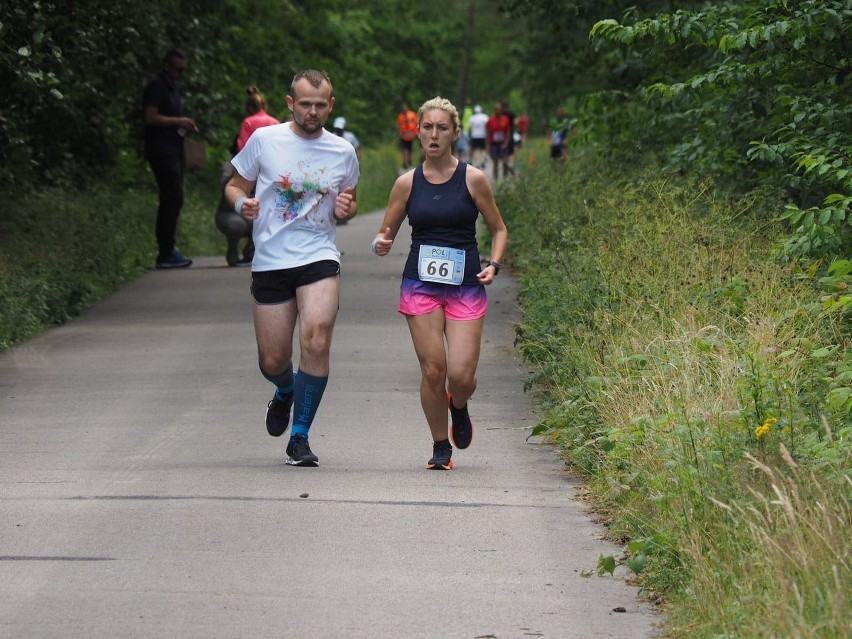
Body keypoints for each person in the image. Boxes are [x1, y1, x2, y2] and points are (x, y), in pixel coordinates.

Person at [224, 69, 359, 467]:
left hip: (319, 255)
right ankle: (285, 390)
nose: (312, 112)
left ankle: (299, 437)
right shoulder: (264, 140)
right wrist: (240, 204)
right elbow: (235, 184)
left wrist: (345, 209)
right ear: (290, 103)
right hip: (270, 259)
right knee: (273, 361)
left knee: (316, 339)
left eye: (320, 105)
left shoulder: (343, 151)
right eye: (305, 104)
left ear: (330, 105)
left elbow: (347, 200)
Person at [370, 96, 509, 470]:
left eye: (442, 128)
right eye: (427, 128)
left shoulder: (473, 178)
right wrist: (381, 243)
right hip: (421, 286)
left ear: (455, 134)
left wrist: (494, 264)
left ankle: (458, 405)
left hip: (465, 286)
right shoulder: (406, 183)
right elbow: (385, 233)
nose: (434, 135)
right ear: (417, 133)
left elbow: (498, 229)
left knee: (461, 376)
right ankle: (438, 445)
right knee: (434, 370)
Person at [142, 49, 199, 269]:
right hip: (161, 149)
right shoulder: (156, 87)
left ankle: (168, 249)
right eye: (177, 69)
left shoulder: (175, 88)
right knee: (171, 196)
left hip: (174, 149)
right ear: (166, 66)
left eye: (183, 70)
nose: (180, 73)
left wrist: (184, 125)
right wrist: (179, 121)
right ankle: (165, 252)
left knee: (175, 197)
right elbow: (150, 116)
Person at [216, 87, 280, 267]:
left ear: (249, 108)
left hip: (251, 167)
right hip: (270, 168)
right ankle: (254, 250)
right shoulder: (275, 121)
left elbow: (243, 146)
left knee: (251, 205)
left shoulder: (248, 122)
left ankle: (249, 250)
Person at [486, 102, 511, 180]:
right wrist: (487, 146)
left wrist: (506, 142)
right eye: (496, 110)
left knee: (505, 161)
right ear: (494, 110)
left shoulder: (505, 119)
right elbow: (488, 133)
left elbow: (508, 132)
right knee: (495, 162)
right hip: (494, 143)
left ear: (501, 110)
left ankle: (505, 177)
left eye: (499, 110)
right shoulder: (491, 120)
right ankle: (495, 179)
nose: (498, 111)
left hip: (503, 143)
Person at [396, 103, 418, 170]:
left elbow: (416, 123)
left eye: (405, 108)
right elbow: (398, 125)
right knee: (405, 150)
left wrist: (415, 133)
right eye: (403, 108)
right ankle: (405, 163)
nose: (404, 109)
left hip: (410, 135)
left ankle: (409, 162)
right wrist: (399, 132)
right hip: (404, 135)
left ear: (407, 108)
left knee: (410, 150)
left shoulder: (412, 115)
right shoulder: (400, 116)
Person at [467, 104, 489, 169]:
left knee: (476, 150)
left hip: (474, 136)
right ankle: (483, 160)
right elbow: (488, 126)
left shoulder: (472, 118)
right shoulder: (485, 117)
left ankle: (477, 163)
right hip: (483, 135)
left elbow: (469, 128)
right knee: (483, 149)